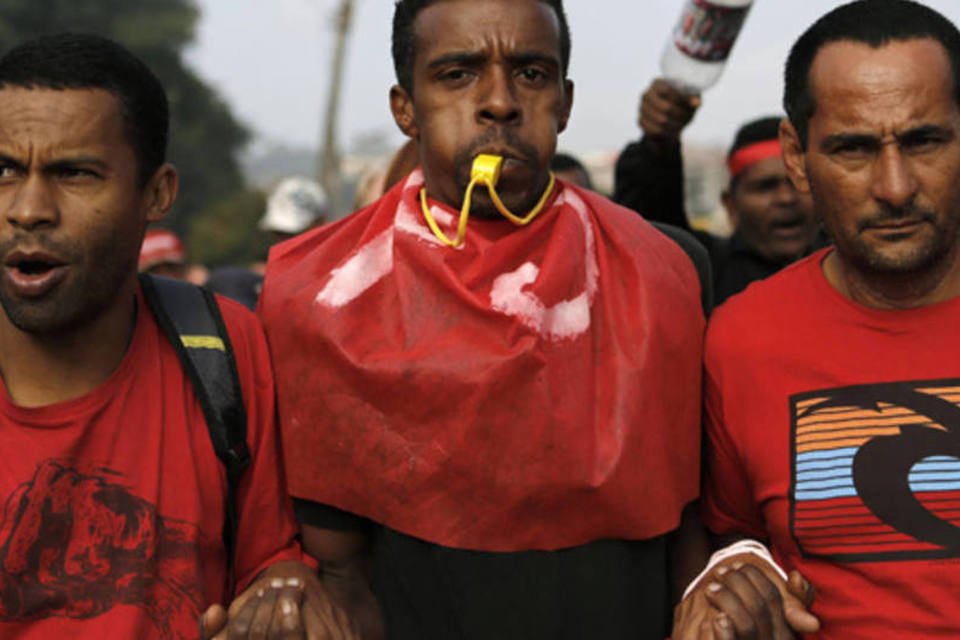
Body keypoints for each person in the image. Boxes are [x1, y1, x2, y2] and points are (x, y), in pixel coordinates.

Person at [258, 1, 712, 637]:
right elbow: (342, 576)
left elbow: (693, 540)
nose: (500, 102)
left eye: (531, 74)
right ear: (404, 107)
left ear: (566, 100)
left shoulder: (668, 270)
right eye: (458, 74)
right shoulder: (315, 294)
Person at [0, 33, 354, 639]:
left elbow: (276, 568)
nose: (29, 208)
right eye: (5, 169)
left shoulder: (224, 351)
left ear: (157, 194)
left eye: (75, 173)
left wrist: (283, 597)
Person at [690, 0, 960, 637]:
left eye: (924, 141)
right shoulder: (740, 342)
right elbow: (732, 543)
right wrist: (727, 588)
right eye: (853, 148)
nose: (895, 187)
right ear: (795, 154)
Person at [614, 80, 819, 304]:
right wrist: (658, 145)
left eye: (799, 182)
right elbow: (649, 221)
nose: (786, 198)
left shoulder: (851, 270)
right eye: (765, 186)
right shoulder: (703, 270)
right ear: (730, 204)